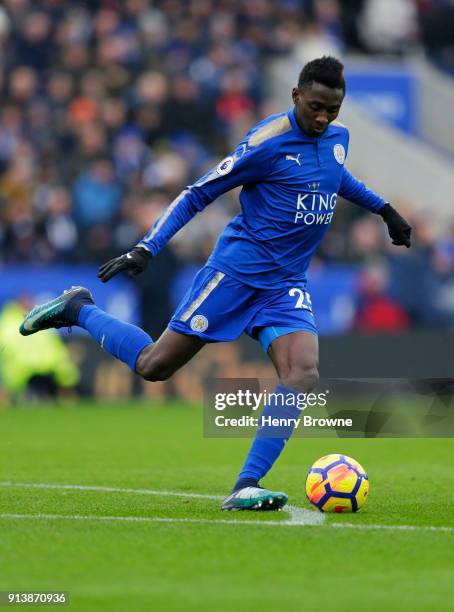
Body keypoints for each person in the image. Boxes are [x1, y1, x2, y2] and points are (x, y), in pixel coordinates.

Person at [19, 57, 411, 511]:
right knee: (154, 366)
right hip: (235, 274)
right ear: (296, 97)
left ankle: (246, 484)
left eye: (333, 110)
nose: (323, 118)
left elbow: (334, 175)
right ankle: (78, 308)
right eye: (316, 107)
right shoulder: (266, 143)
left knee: (302, 373)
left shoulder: (336, 139)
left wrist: (384, 210)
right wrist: (148, 246)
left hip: (285, 283)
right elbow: (197, 192)